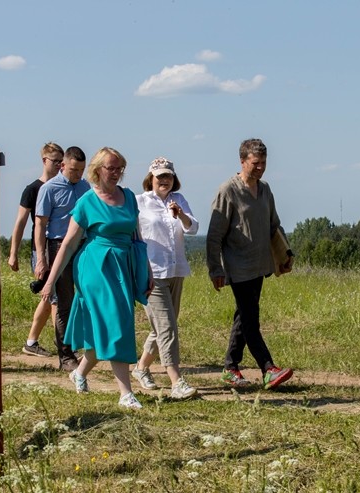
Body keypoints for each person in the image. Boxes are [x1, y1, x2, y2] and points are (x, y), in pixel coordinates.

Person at [40, 147, 151, 409]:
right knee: (116, 322)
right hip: (95, 267)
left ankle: (79, 373)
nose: (116, 173)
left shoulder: (129, 198)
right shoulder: (87, 202)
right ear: (98, 169)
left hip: (123, 264)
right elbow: (67, 244)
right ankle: (125, 393)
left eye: (119, 168)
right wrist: (50, 280)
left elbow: (138, 237)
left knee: (107, 326)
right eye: (110, 168)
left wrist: (147, 271)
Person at [206, 138, 295, 390]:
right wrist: (216, 269)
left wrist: (285, 255)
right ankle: (268, 369)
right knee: (250, 319)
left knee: (243, 317)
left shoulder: (265, 189)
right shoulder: (228, 191)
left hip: (260, 266)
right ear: (242, 161)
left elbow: (273, 226)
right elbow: (214, 235)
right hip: (238, 266)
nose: (260, 168)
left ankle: (230, 368)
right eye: (256, 163)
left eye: (264, 163)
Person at [132, 157, 199, 400]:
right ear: (150, 178)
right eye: (160, 176)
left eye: (168, 176)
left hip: (176, 270)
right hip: (152, 273)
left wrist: (180, 215)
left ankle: (140, 368)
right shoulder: (139, 202)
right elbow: (133, 235)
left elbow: (193, 228)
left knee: (161, 327)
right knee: (167, 327)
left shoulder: (178, 199)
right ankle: (176, 381)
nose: (164, 180)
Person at [35, 146, 89, 371]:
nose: (78, 175)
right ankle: (66, 356)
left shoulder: (86, 187)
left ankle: (88, 348)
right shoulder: (49, 189)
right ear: (62, 165)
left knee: (87, 298)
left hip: (84, 246)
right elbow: (40, 224)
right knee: (64, 302)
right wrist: (41, 258)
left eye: (81, 171)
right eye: (74, 170)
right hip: (58, 246)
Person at [8, 142, 62, 357]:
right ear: (44, 161)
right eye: (55, 161)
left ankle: (32, 342)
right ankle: (64, 346)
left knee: (50, 298)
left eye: (61, 161)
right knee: (55, 296)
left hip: (61, 248)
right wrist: (13, 253)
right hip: (41, 250)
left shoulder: (63, 186)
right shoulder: (33, 189)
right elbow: (21, 222)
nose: (58, 165)